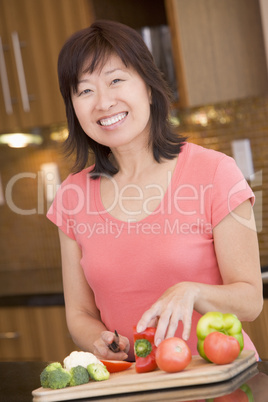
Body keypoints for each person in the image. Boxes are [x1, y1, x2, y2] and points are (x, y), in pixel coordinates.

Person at [47, 20, 263, 362]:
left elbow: (251, 300)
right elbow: (79, 314)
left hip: (219, 381)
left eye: (116, 80)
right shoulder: (72, 196)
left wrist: (191, 292)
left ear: (148, 87)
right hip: (135, 386)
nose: (103, 102)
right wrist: (98, 340)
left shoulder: (215, 172)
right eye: (84, 90)